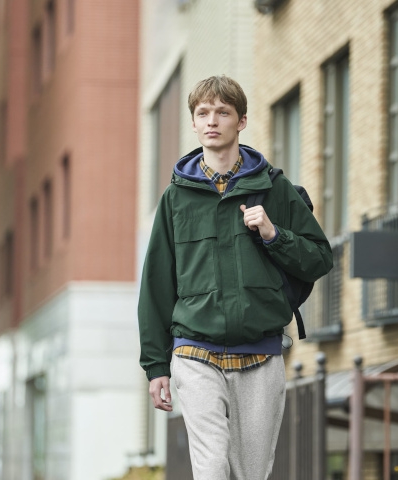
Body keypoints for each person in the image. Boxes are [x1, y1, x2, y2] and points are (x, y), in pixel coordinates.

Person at [138, 75, 333, 480]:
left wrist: (274, 234)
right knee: (211, 468)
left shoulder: (275, 189)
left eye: (222, 112)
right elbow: (156, 285)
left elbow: (319, 259)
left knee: (251, 473)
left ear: (241, 121)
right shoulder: (176, 198)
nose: (212, 121)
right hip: (195, 352)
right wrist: (156, 366)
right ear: (194, 123)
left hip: (260, 355)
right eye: (203, 113)